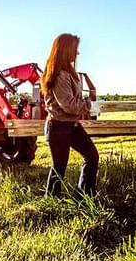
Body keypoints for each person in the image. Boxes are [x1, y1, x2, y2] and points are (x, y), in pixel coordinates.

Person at [41, 33, 99, 198]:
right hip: (58, 127)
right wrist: (89, 105)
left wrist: (86, 101)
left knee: (92, 156)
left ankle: (83, 197)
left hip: (71, 125)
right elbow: (69, 105)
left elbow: (74, 101)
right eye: (75, 49)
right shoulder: (59, 75)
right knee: (59, 167)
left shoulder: (69, 72)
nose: (78, 53)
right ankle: (52, 202)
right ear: (66, 50)